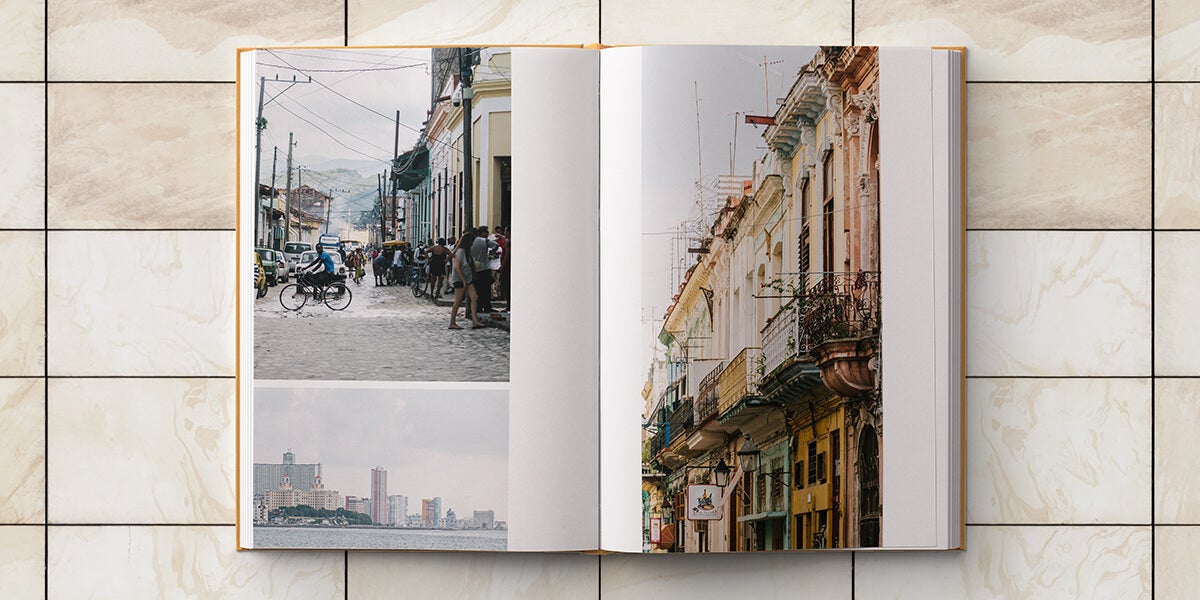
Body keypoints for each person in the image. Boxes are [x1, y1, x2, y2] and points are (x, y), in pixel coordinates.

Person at [448, 232, 484, 330]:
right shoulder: (460, 252)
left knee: (474, 297)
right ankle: (452, 322)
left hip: (468, 278)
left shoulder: (467, 251)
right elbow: (456, 267)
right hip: (459, 279)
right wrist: (463, 280)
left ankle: (474, 321)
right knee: (458, 300)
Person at [470, 226, 500, 314]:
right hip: (484, 267)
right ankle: (487, 307)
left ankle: (478, 307)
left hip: (475, 268)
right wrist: (492, 252)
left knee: (477, 288)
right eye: (486, 232)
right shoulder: (485, 241)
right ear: (482, 233)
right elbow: (496, 245)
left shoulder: (472, 241)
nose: (487, 234)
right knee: (486, 289)